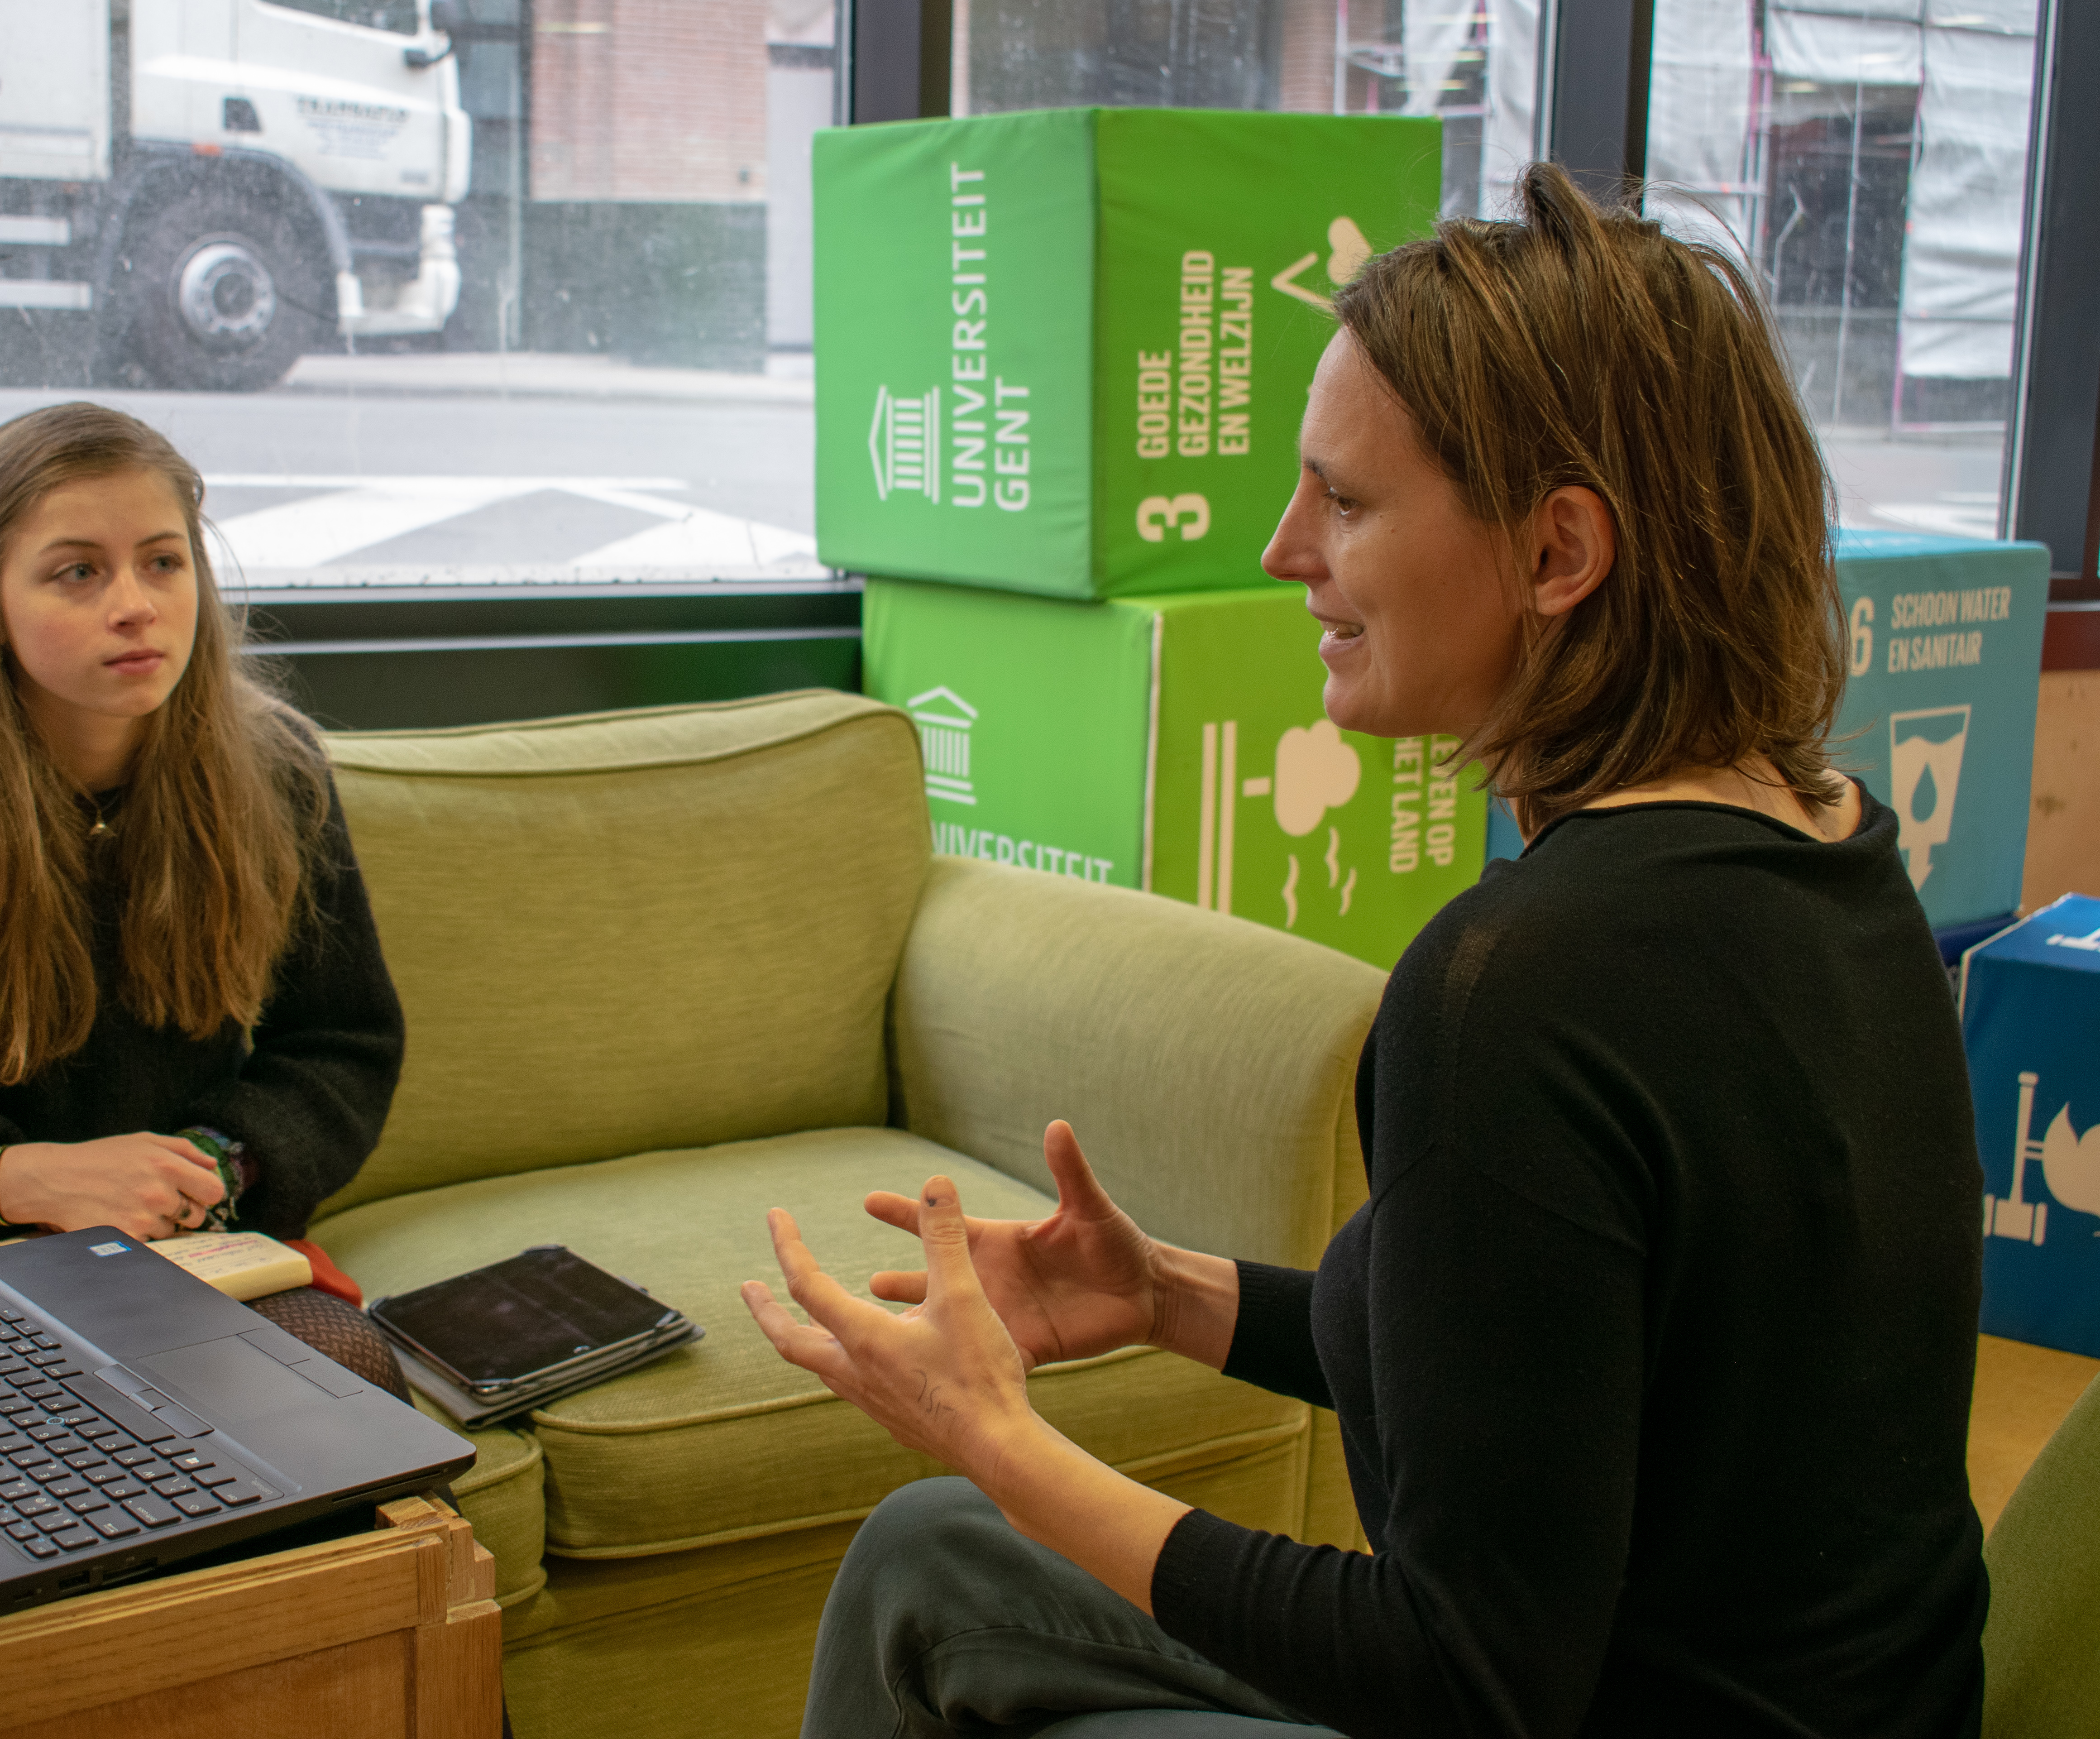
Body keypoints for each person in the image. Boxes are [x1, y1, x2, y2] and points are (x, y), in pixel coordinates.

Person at [746, 165, 1989, 1737]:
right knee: (936, 1563)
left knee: (947, 1551)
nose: (1284, 551)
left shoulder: (1518, 987)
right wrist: (1168, 1295)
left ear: (1559, 556)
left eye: (1345, 499)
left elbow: (1458, 1679)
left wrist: (993, 1433)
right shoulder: (1828, 842)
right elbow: (1561, 1371)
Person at [0, 400, 411, 1394]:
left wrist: (215, 1163)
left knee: (353, 1389)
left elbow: (343, 1049)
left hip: (195, 1251)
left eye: (163, 561)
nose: (137, 604)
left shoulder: (277, 772)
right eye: (78, 572)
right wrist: (11, 1177)